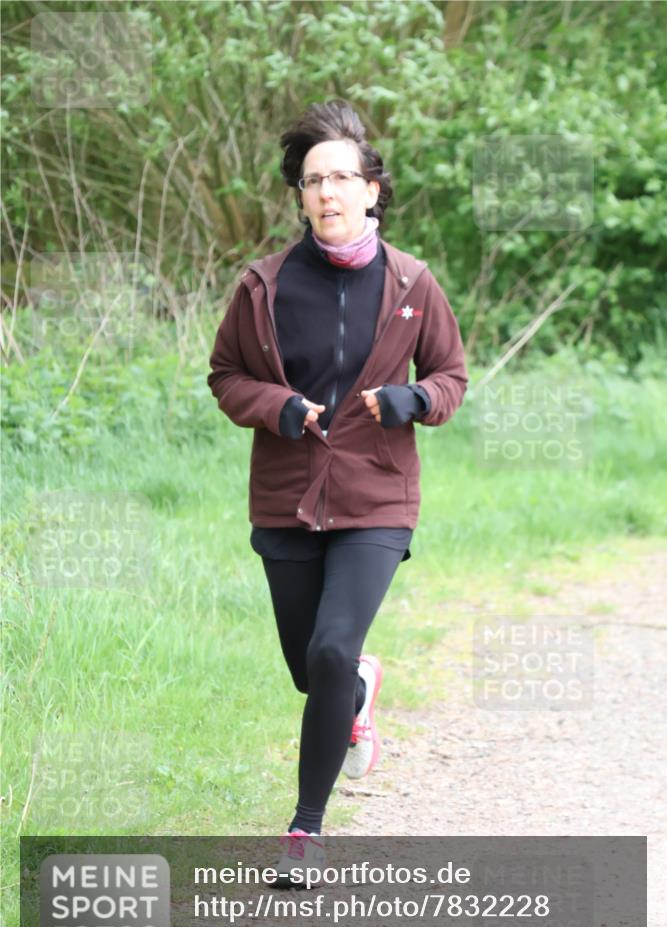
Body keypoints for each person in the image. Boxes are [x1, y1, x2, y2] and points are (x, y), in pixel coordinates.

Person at [207, 99, 467, 886]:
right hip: (286, 495)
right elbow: (225, 376)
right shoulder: (263, 285)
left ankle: (304, 832)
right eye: (313, 180)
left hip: (375, 498)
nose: (326, 193)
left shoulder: (413, 283)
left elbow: (450, 377)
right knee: (309, 668)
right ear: (300, 195)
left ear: (371, 190)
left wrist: (411, 401)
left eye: (341, 178)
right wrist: (276, 407)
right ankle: (355, 689)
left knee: (328, 647)